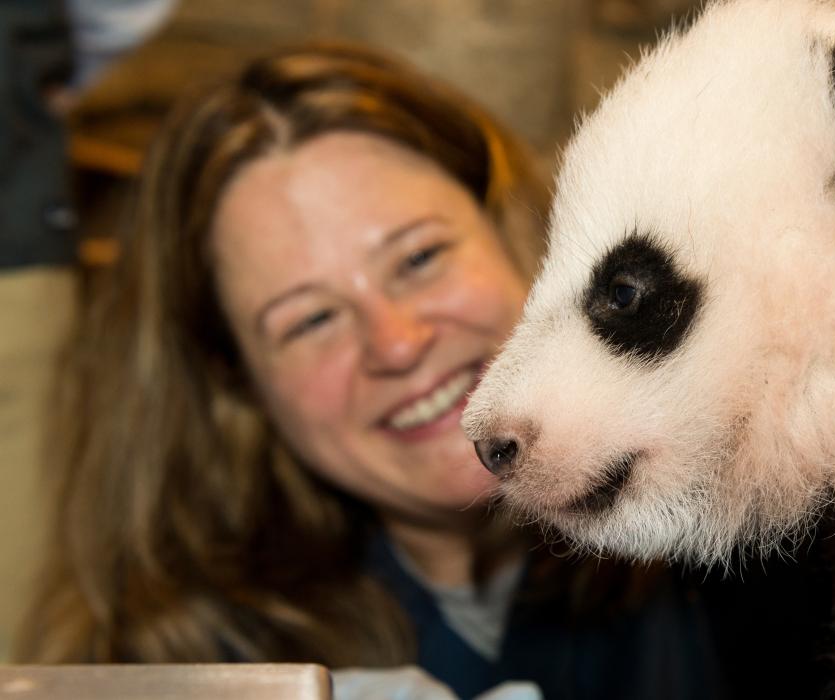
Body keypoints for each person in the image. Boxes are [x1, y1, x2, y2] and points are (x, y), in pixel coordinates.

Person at [14, 42, 723, 700]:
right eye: (310, 320)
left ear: (526, 234)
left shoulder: (761, 558)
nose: (398, 343)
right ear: (240, 386)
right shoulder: (186, 665)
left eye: (419, 258)